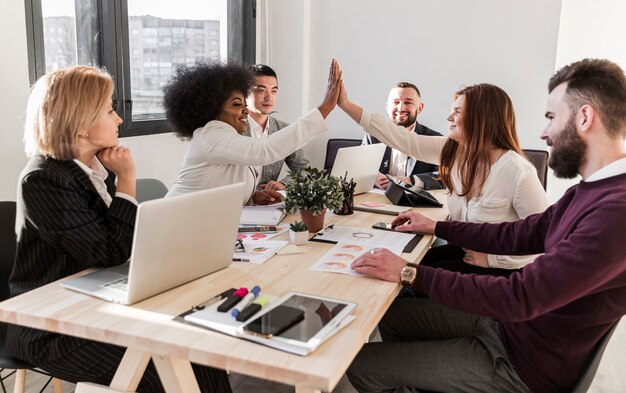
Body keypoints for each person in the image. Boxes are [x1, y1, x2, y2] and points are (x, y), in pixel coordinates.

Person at [346, 58, 626, 393]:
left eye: (551, 118)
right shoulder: (589, 190)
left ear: (584, 117)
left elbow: (520, 296)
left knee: (361, 365)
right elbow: (522, 233)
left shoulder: (615, 213)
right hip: (510, 329)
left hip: (523, 363)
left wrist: (409, 272)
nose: (543, 132)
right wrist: (437, 228)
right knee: (388, 315)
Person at [7, 66, 232, 392]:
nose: (119, 119)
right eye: (110, 110)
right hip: (53, 328)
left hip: (98, 304)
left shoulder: (97, 168)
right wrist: (127, 183)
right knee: (167, 369)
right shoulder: (43, 179)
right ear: (81, 125)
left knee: (199, 356)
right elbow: (109, 252)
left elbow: (120, 244)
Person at [340, 79, 549, 273]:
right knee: (396, 269)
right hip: (464, 254)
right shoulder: (455, 151)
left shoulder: (518, 171)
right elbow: (403, 140)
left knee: (403, 287)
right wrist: (345, 104)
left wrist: (495, 260)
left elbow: (546, 237)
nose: (449, 118)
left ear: (481, 118)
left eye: (457, 112)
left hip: (499, 274)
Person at [165, 60, 340, 205]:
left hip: (202, 221)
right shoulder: (210, 135)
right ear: (213, 109)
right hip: (175, 221)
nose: (245, 111)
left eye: (244, 104)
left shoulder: (227, 137)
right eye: (236, 104)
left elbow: (225, 184)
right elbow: (265, 150)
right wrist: (325, 107)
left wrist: (250, 197)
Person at [243, 64, 311, 191]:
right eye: (261, 90)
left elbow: (305, 171)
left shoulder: (283, 130)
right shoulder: (232, 130)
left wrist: (284, 184)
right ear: (244, 93)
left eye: (273, 91)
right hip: (237, 203)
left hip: (269, 205)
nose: (269, 97)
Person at [363, 82, 443, 190]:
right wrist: (373, 176)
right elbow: (360, 166)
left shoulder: (434, 138)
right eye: (396, 102)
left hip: (416, 203)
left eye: (408, 102)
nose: (400, 108)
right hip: (377, 200)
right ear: (387, 107)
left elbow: (444, 176)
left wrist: (410, 180)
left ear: (420, 108)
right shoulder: (372, 135)